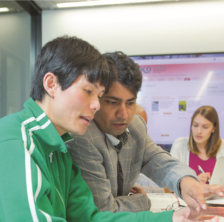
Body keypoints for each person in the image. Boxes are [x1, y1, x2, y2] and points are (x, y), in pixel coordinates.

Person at [0, 37, 224, 222]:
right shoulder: (15, 142)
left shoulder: (57, 146)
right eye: (89, 92)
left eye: (99, 95)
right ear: (51, 84)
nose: (96, 104)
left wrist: (172, 220)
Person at [68, 52, 223, 213]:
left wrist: (186, 181)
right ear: (96, 98)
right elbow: (104, 211)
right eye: (113, 102)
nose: (123, 114)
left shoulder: (136, 126)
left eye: (130, 103)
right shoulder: (83, 137)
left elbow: (158, 159)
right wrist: (142, 201)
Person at [171, 106, 224, 184]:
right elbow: (170, 182)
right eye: (195, 125)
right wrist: (192, 182)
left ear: (214, 129)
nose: (198, 131)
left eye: (205, 127)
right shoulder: (179, 146)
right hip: (188, 196)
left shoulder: (222, 147)